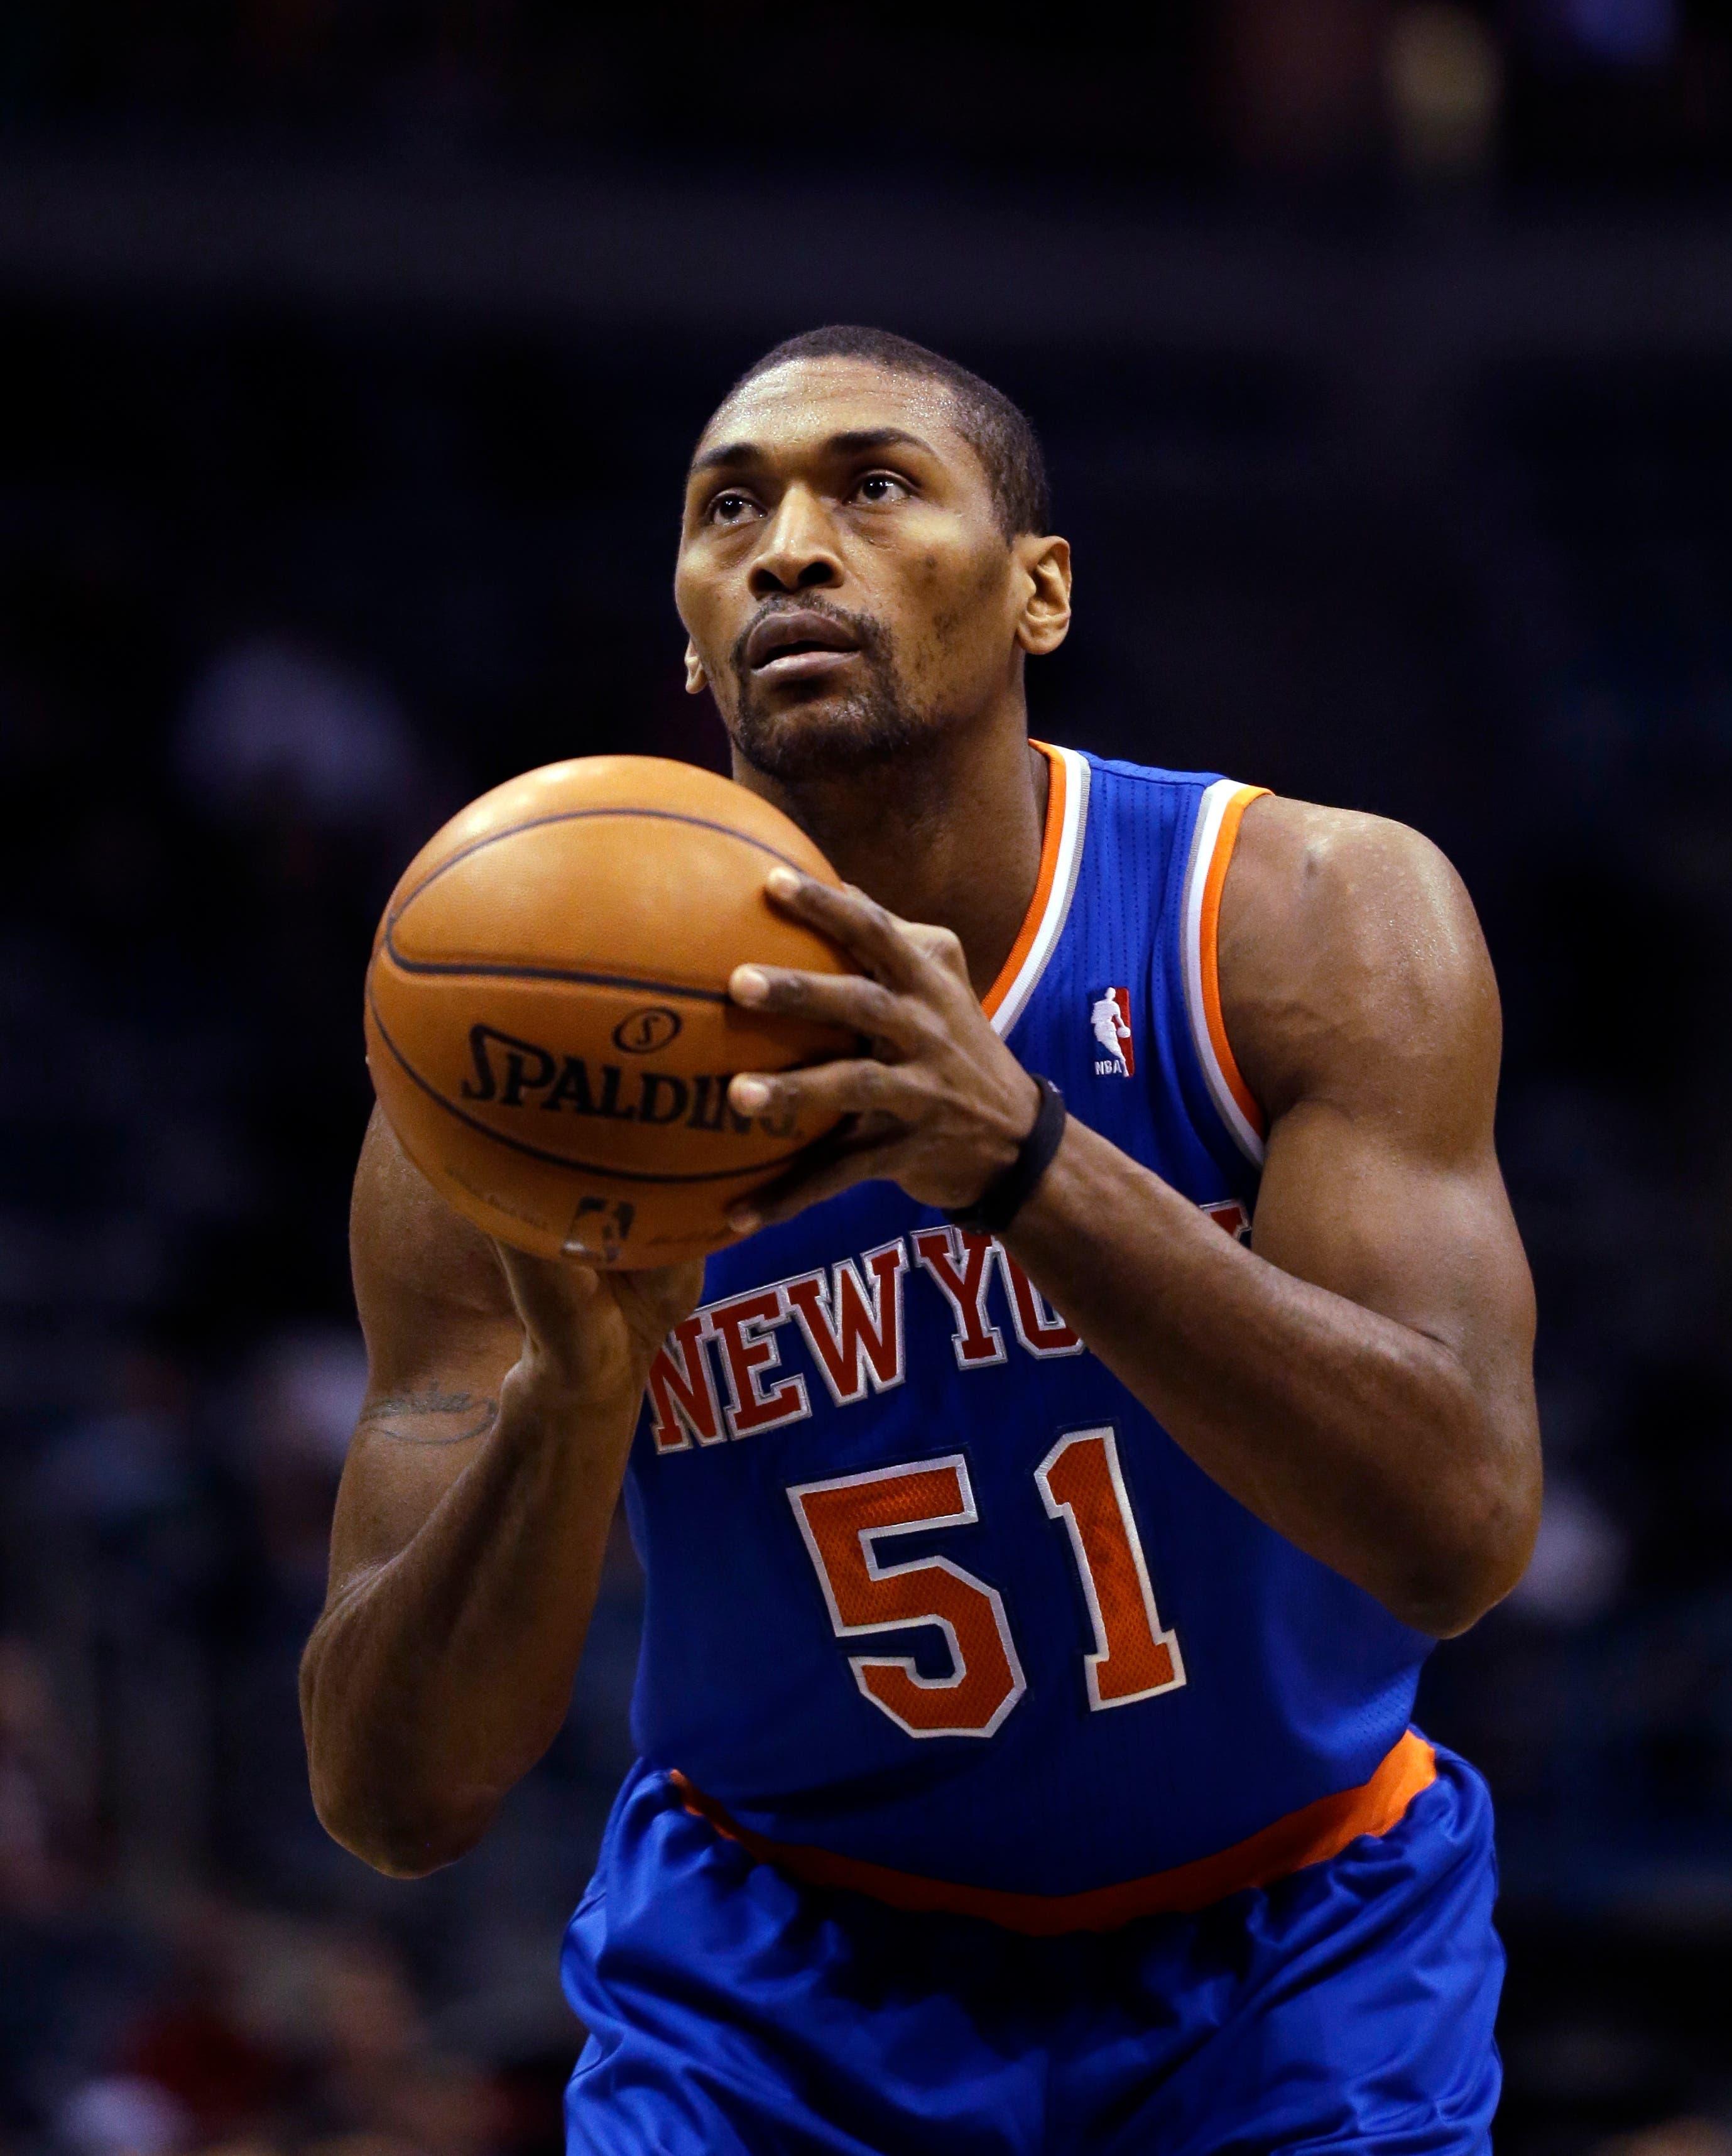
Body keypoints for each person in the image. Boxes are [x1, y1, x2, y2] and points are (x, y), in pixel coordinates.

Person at [303, 325, 1540, 2155]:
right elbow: (393, 1796)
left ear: (1037, 589)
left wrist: (1024, 1162)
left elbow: (1454, 1533)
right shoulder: (504, 1087)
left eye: (872, 486)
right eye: (731, 509)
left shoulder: (1295, 920)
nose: (791, 545)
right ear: (690, 626)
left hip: (1288, 1938)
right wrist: (571, 1398)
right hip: (772, 1976)